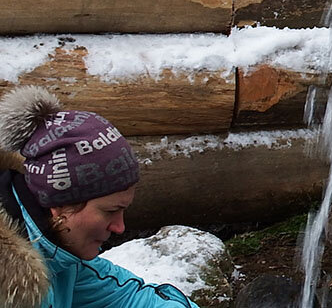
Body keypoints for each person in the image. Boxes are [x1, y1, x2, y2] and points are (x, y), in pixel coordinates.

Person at [0, 85, 199, 308]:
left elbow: (131, 299)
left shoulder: (60, 251)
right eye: (111, 211)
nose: (119, 227)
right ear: (60, 204)